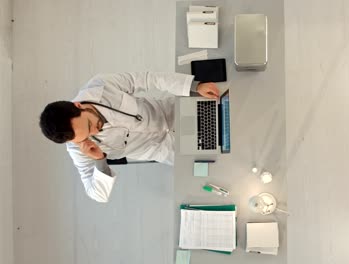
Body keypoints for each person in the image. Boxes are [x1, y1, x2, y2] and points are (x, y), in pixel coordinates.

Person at [39, 72, 220, 203]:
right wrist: (100, 160)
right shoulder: (78, 149)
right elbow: (98, 195)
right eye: (87, 135)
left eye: (89, 125)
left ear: (78, 105)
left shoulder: (100, 87)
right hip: (167, 150)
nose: (94, 132)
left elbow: (149, 79)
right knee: (222, 161)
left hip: (175, 113)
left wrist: (194, 86)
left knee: (227, 119)